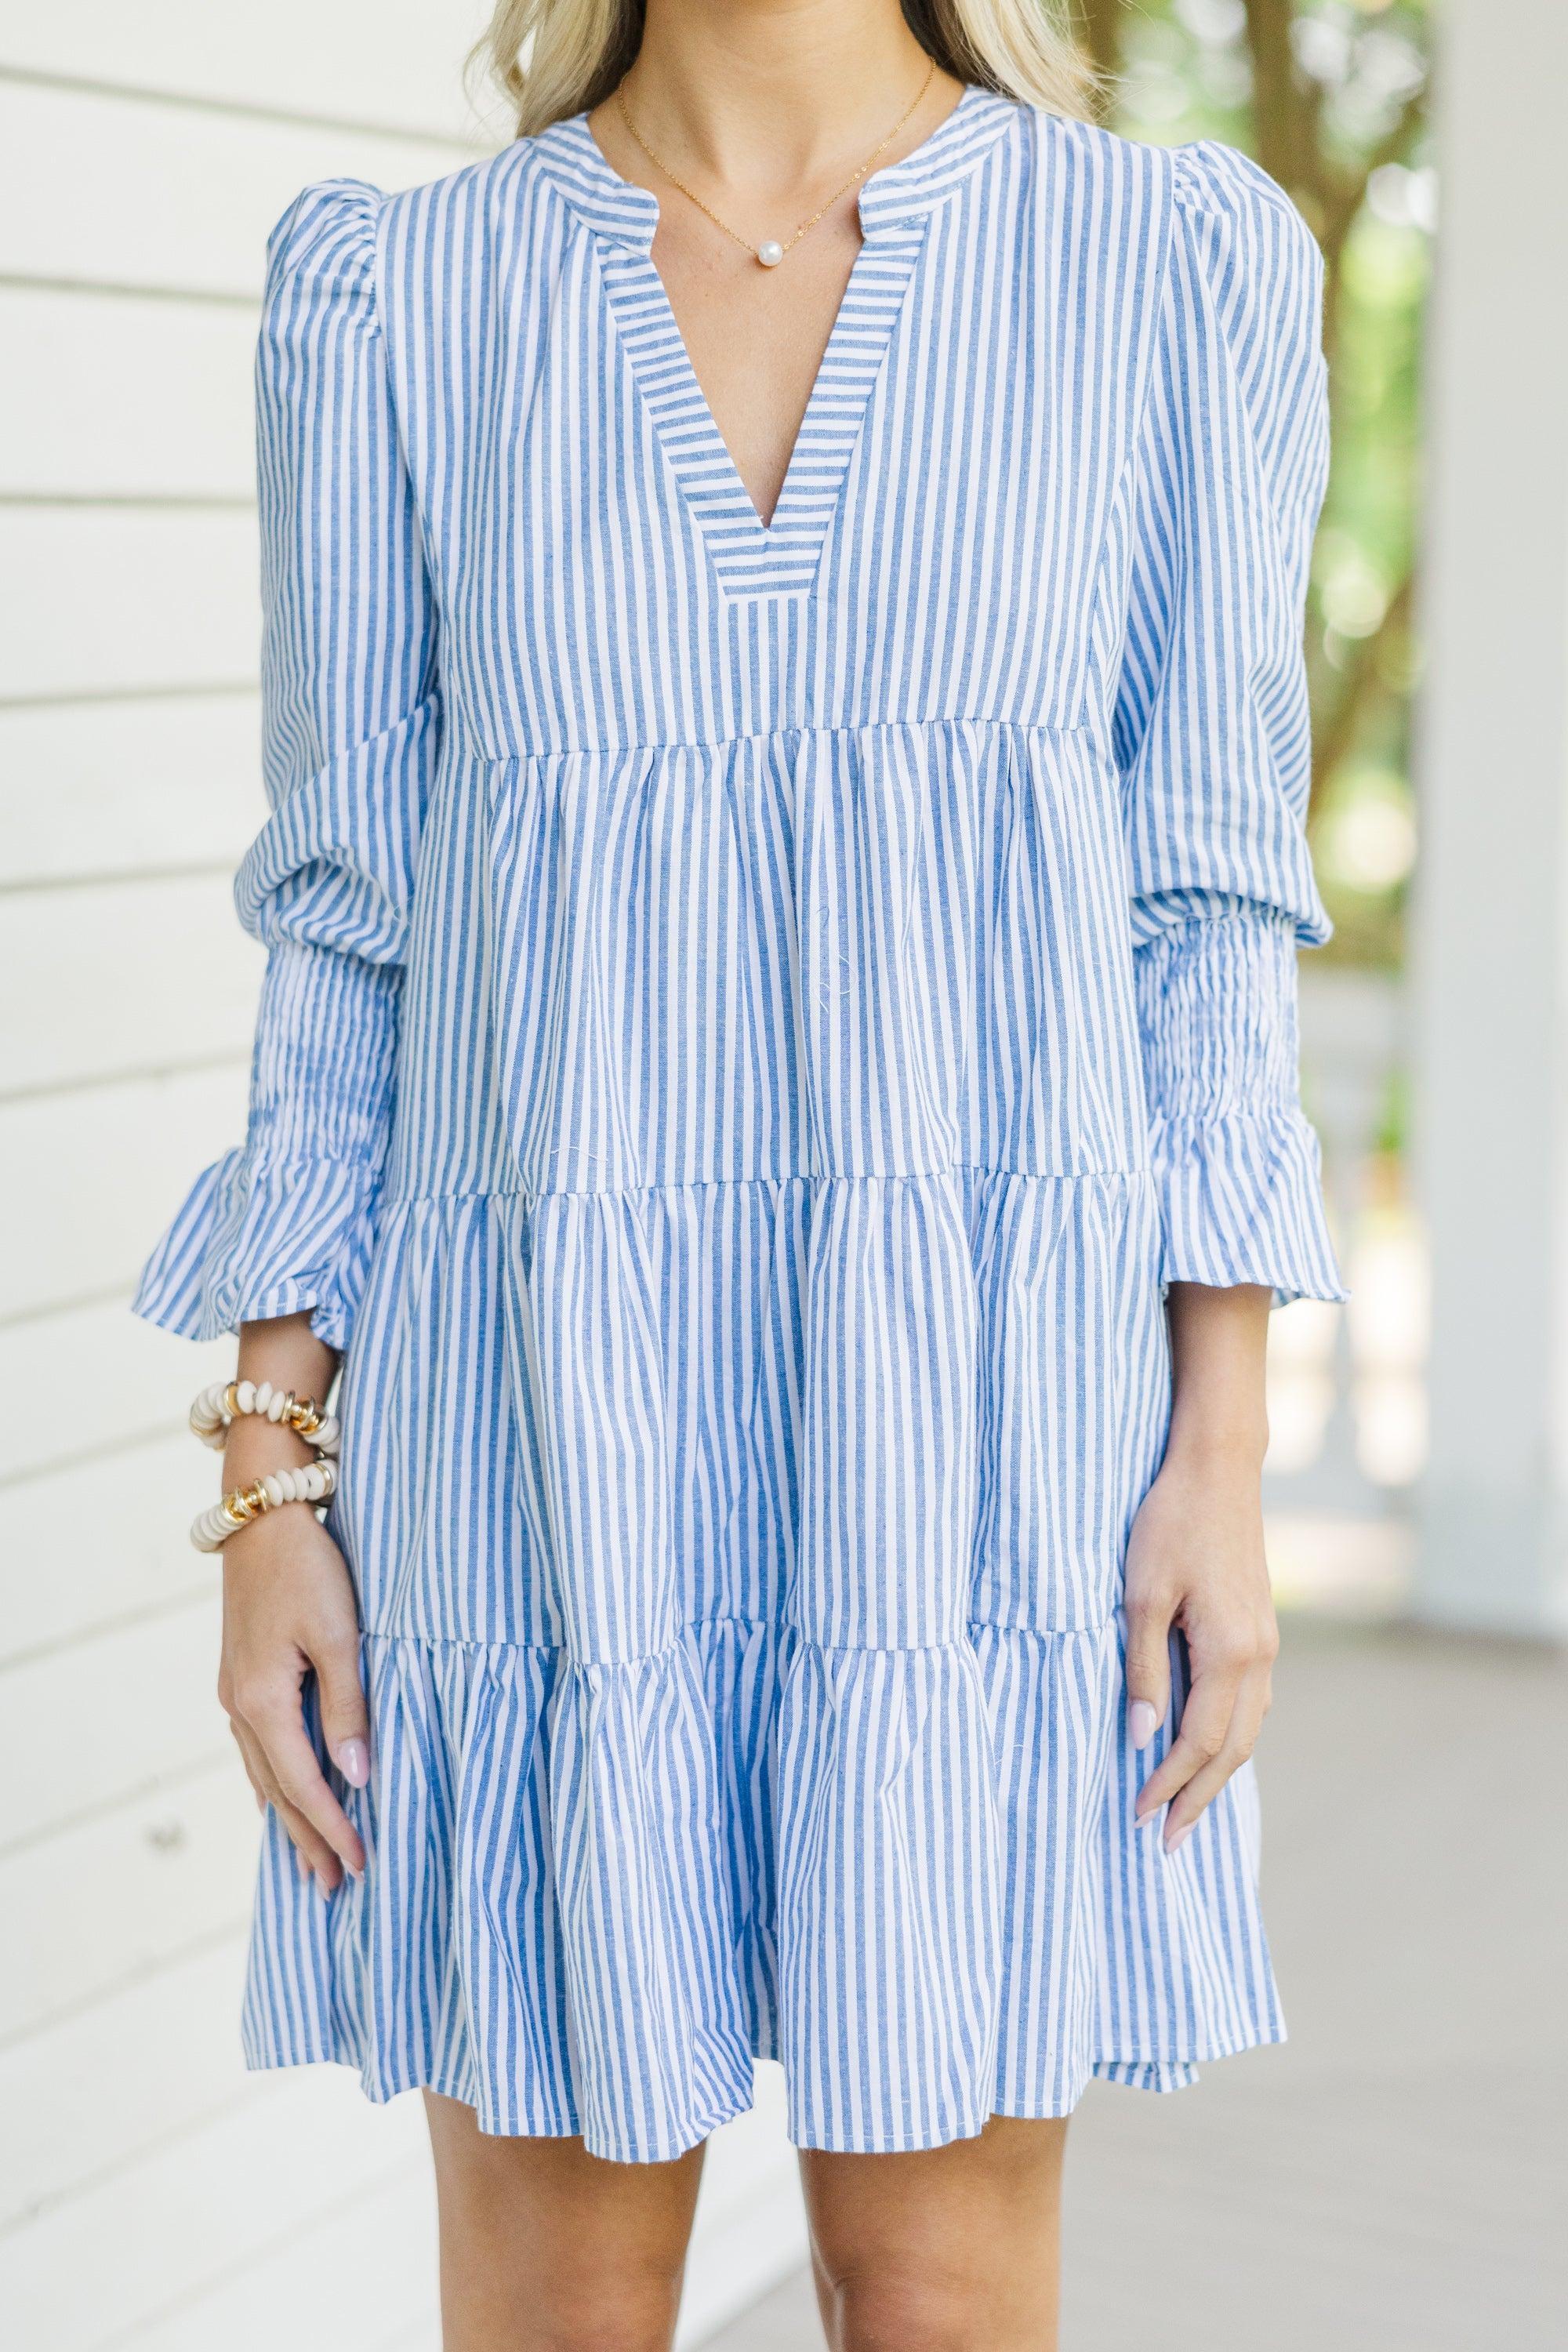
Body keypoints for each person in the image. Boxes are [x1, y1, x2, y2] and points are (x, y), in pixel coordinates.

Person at [136, 1, 1346, 2343]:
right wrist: (271, 1481)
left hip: (985, 1452)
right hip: (539, 1452)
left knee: (936, 2289)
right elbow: (343, 932)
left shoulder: (1162, 267)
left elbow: (1213, 907)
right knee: (563, 2309)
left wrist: (1223, 1455)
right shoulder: (404, 300)